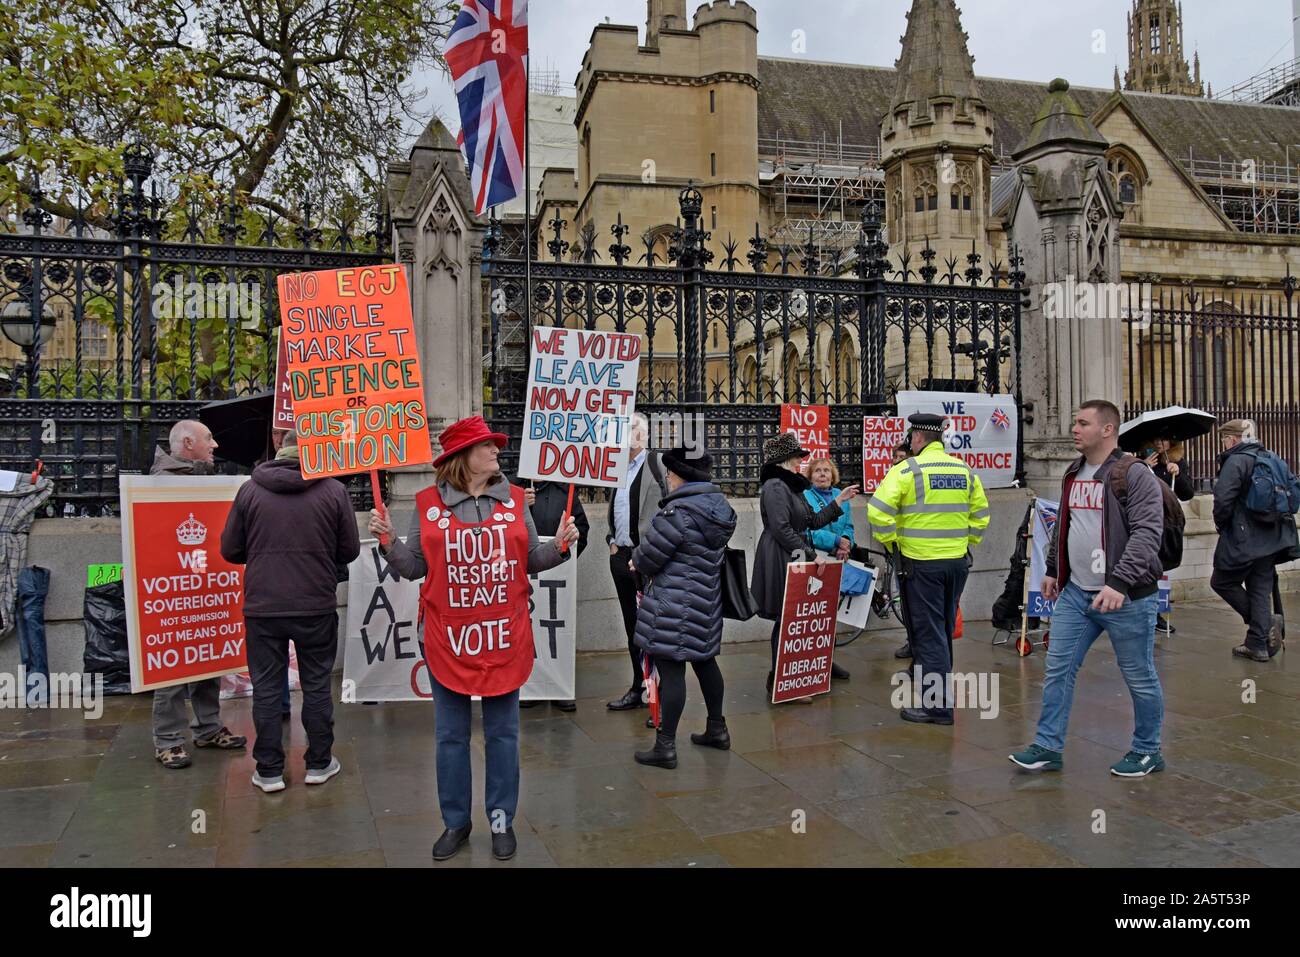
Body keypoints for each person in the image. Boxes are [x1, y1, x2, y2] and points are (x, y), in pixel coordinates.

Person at [368, 415, 578, 862]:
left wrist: (559, 546)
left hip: (503, 637)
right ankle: (455, 822)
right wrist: (387, 543)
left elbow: (529, 562)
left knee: (504, 734)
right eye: (486, 446)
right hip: (447, 640)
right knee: (450, 736)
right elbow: (414, 568)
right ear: (463, 457)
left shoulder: (516, 499)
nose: (495, 452)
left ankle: (501, 821)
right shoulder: (426, 504)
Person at [1010, 400, 1167, 777]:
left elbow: (1148, 534)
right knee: (1057, 669)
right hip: (1077, 594)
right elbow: (1064, 525)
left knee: (1139, 674)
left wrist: (1119, 582)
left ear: (1108, 430)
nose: (1074, 429)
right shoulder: (1073, 472)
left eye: (1082, 423)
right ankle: (1048, 746)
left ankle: (1148, 750)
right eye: (1074, 421)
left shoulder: (1134, 474)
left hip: (1125, 597)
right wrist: (1052, 570)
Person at [220, 428, 359, 793]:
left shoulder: (249, 491)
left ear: (280, 447)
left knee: (266, 689)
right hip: (315, 603)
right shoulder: (333, 490)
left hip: (263, 606)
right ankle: (319, 762)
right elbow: (350, 551)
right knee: (315, 685)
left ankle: (268, 770)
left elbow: (230, 550)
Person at [867, 413, 988, 725]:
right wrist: (965, 543)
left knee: (927, 633)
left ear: (917, 439)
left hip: (921, 565)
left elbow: (877, 512)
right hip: (957, 563)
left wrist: (893, 544)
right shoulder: (963, 469)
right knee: (943, 629)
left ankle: (937, 706)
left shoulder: (909, 469)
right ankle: (939, 694)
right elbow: (981, 515)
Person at [628, 448, 737, 768]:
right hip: (706, 601)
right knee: (705, 662)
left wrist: (636, 559)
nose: (668, 479)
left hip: (672, 603)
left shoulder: (677, 514)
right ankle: (717, 729)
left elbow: (648, 557)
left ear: (681, 476)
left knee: (672, 671)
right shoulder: (719, 508)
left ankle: (665, 747)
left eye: (671, 474)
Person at [151, 420, 247, 769]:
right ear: (188, 442)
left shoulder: (202, 480)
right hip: (174, 591)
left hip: (203, 587)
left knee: (208, 658)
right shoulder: (159, 485)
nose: (215, 444)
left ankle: (207, 727)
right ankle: (168, 739)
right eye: (209, 438)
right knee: (173, 667)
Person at [751, 432, 859, 694]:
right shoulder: (776, 486)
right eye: (798, 457)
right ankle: (779, 679)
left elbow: (812, 520)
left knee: (792, 618)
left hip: (792, 553)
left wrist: (839, 501)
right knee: (784, 617)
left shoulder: (791, 486)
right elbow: (781, 528)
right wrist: (812, 555)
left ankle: (788, 677)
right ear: (785, 460)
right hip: (780, 556)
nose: (801, 461)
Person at [1210, 419, 1296, 662]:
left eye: (1224, 439)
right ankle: (1257, 645)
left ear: (1233, 439)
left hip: (1243, 536)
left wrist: (1221, 523)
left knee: (1221, 581)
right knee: (1260, 589)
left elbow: (1223, 500)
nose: (1224, 444)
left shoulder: (1236, 460)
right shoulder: (1271, 456)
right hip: (1272, 536)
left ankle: (1267, 623)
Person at [605, 412, 669, 712]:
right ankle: (638, 686)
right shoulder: (615, 468)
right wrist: (611, 540)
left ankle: (659, 696)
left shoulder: (657, 465)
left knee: (653, 627)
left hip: (649, 558)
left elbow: (669, 511)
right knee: (632, 626)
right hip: (621, 558)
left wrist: (650, 551)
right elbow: (616, 510)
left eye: (633, 429)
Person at [519, 478, 589, 712]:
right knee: (529, 632)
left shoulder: (564, 491)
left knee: (556, 632)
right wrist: (521, 505)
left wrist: (571, 541)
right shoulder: (515, 490)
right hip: (526, 578)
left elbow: (582, 530)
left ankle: (561, 688)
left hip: (558, 577)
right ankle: (531, 687)